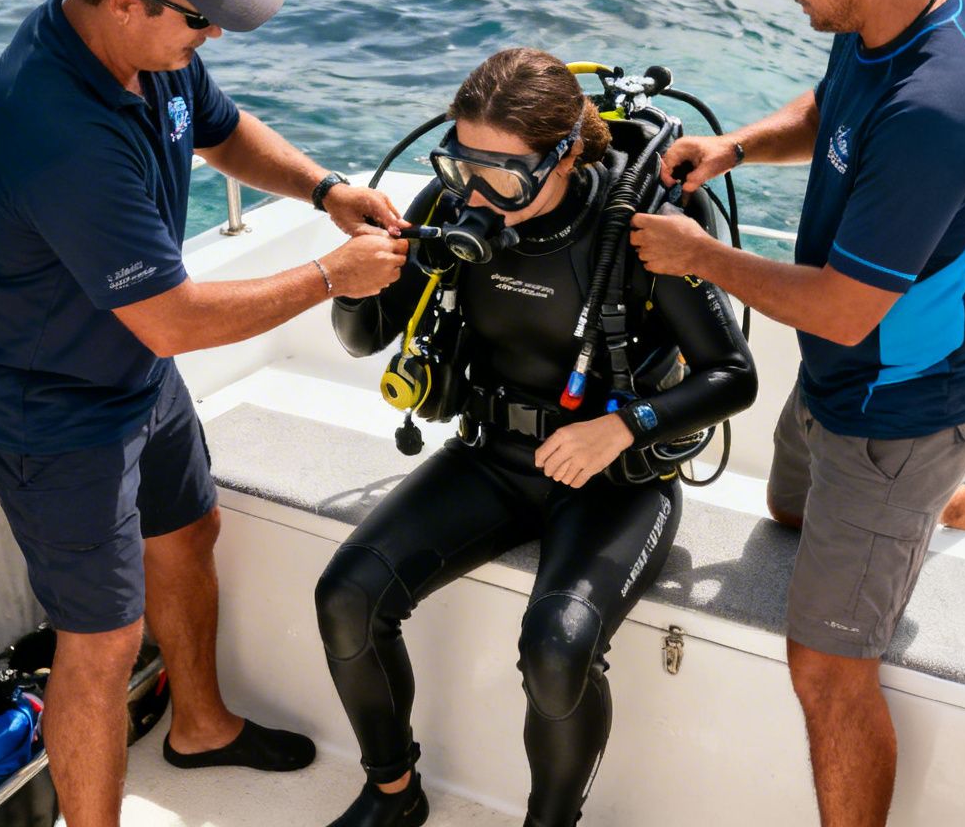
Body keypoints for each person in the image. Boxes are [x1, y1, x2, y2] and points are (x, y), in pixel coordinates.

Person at [0, 0, 408, 827]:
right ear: (125, 0)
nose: (216, 35)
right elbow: (177, 319)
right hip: (52, 400)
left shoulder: (147, 49)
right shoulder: (56, 122)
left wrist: (325, 191)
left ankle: (199, 726)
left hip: (129, 365)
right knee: (102, 641)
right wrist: (330, 277)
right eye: (203, 18)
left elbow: (223, 132)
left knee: (190, 532)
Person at [629, 0, 965, 827]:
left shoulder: (938, 106)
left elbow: (845, 305)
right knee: (789, 515)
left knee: (826, 668)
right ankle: (956, 508)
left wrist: (698, 256)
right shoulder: (881, 20)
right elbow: (832, 105)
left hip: (900, 410)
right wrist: (733, 147)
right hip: (842, 380)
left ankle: (930, 498)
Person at [316, 48, 757, 827]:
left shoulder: (642, 224)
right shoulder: (454, 205)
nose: (479, 195)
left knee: (557, 650)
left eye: (506, 177)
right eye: (461, 167)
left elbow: (732, 376)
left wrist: (620, 429)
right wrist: (353, 282)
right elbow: (367, 335)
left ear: (566, 155)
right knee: (347, 597)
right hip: (492, 455)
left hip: (616, 481)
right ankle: (393, 793)